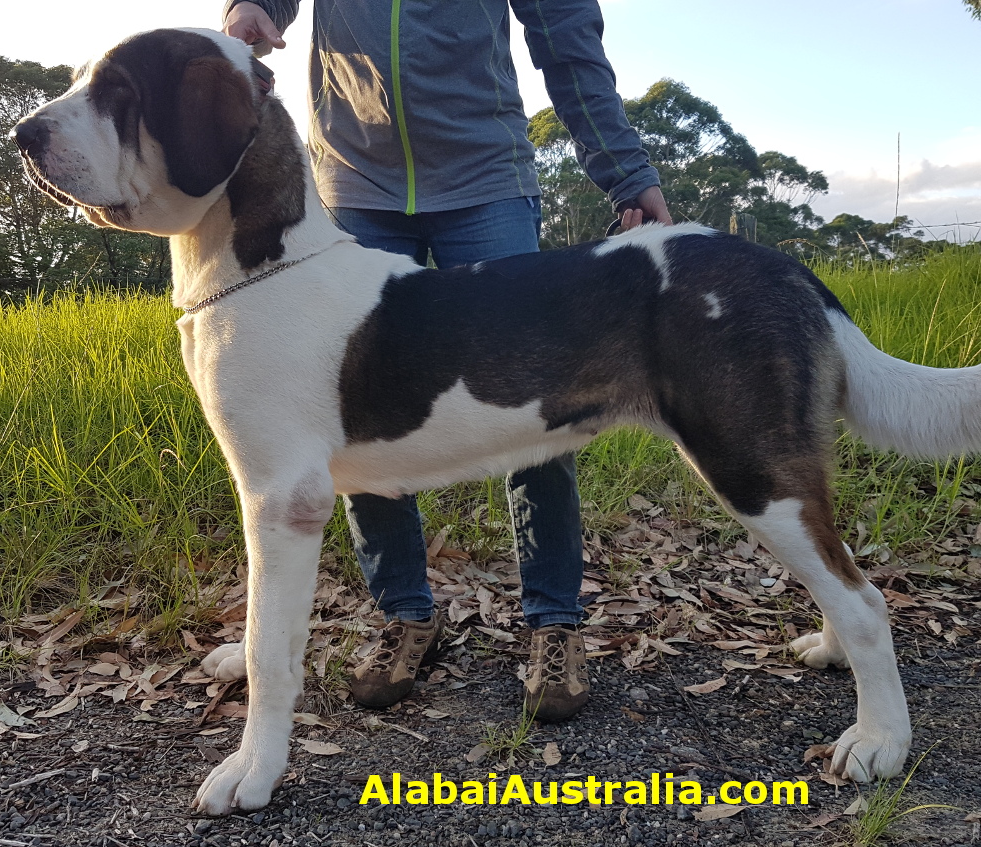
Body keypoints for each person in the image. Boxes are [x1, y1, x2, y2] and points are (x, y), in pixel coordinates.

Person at [222, 0, 672, 722]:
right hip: (354, 184)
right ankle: (405, 613)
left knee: (536, 399)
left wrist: (624, 171)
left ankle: (553, 620)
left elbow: (565, 33)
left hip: (484, 181)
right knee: (357, 407)